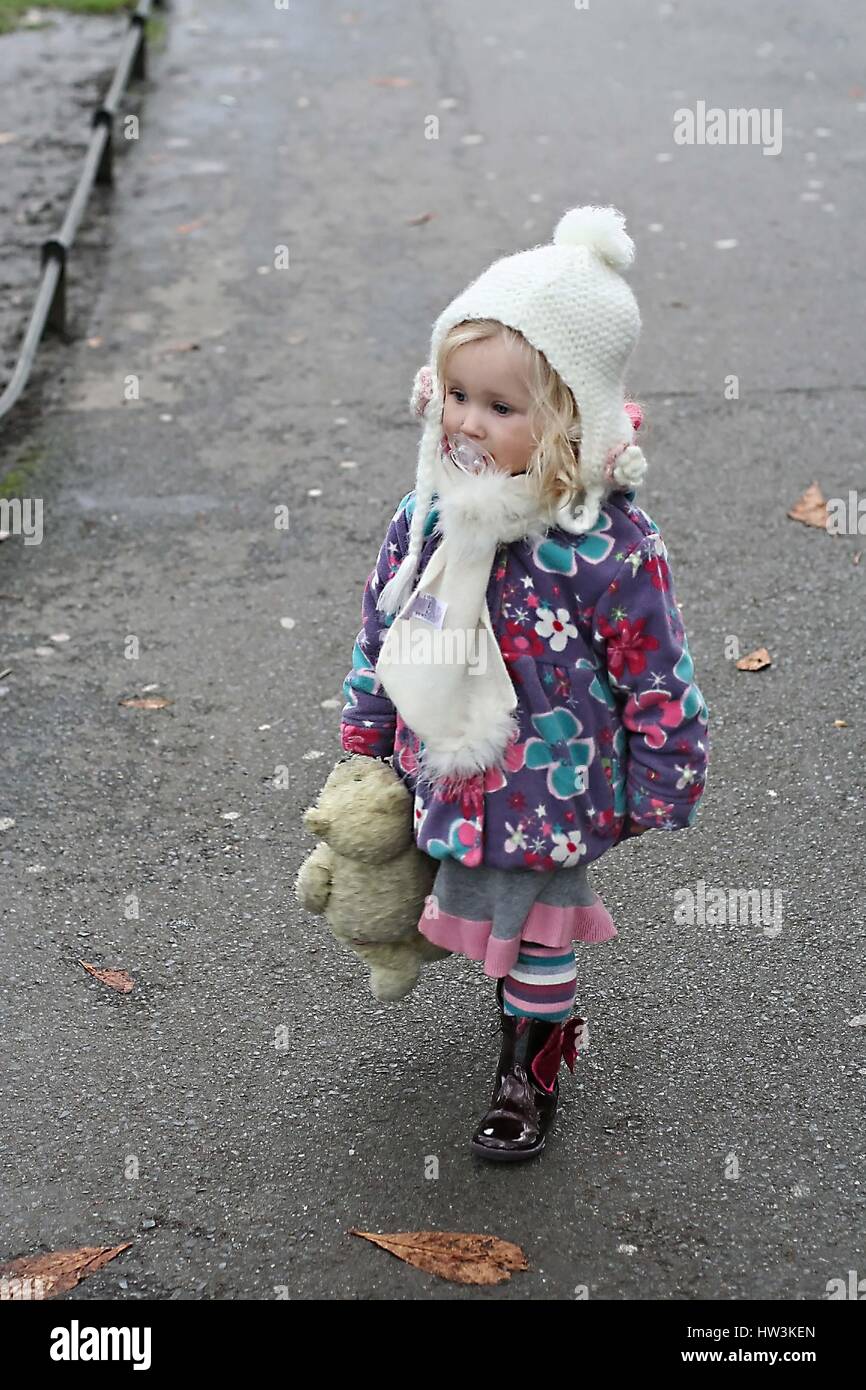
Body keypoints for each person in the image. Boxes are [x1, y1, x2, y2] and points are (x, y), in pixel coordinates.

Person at [339, 205, 710, 1162]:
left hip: (555, 778)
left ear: (567, 423)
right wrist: (368, 732)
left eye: (501, 408)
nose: (467, 421)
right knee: (476, 907)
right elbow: (386, 625)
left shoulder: (605, 546)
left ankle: (527, 1069)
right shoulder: (427, 517)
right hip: (449, 764)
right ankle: (522, 1016)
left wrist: (663, 772)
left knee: (540, 925)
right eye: (457, 394)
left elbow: (655, 669)